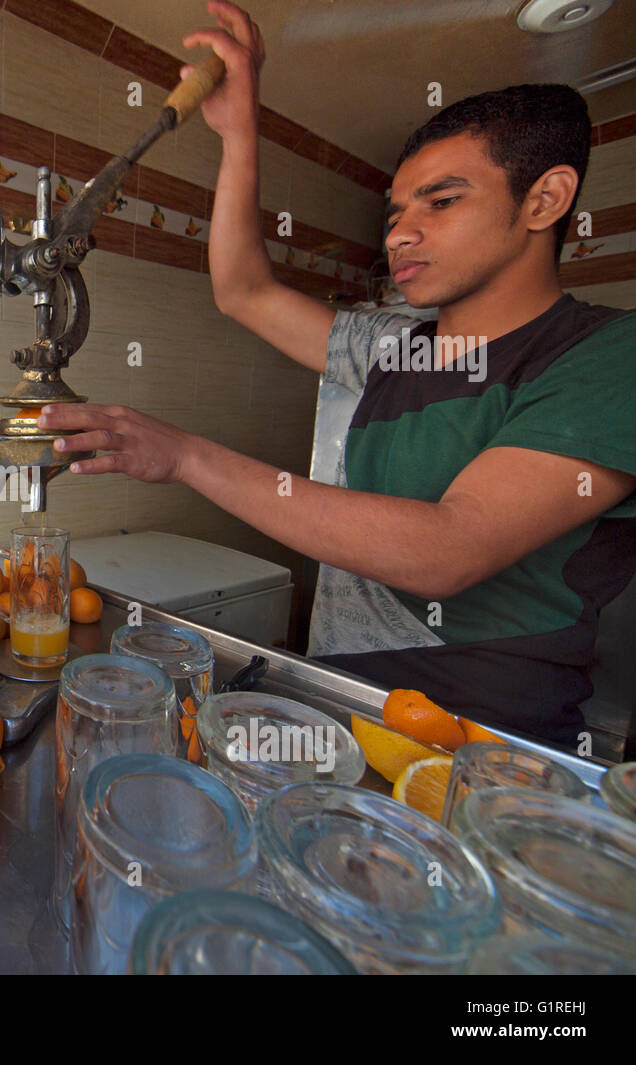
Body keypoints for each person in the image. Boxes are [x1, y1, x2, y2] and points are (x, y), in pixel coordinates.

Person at [38, 1, 636, 748]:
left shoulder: (607, 356)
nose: (400, 233)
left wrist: (189, 455)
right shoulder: (393, 345)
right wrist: (239, 132)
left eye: (441, 202)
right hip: (339, 712)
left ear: (544, 199)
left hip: (486, 756)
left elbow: (449, 549)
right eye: (395, 213)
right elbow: (244, 291)